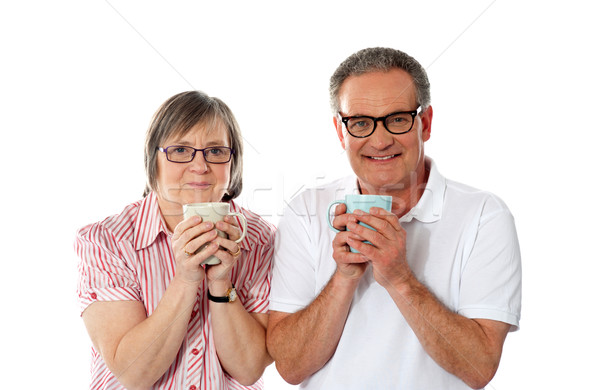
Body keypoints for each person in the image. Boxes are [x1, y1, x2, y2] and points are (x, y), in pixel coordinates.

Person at [266, 47, 522, 389]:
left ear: (425, 123)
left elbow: (478, 368)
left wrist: (400, 279)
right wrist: (344, 277)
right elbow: (290, 367)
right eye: (359, 123)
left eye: (397, 119)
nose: (380, 140)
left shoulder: (484, 216)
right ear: (341, 132)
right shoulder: (305, 211)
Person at [75, 91, 275, 389]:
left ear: (233, 163)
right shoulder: (106, 241)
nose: (200, 166)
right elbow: (133, 374)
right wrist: (185, 279)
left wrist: (221, 283)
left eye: (216, 151)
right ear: (152, 159)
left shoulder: (258, 238)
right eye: (180, 150)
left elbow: (248, 369)